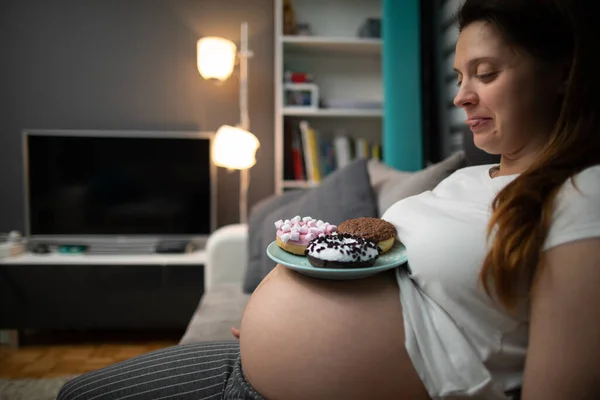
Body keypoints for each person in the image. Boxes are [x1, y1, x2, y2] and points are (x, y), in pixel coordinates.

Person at [57, 0, 600, 399]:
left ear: (562, 75)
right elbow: (403, 276)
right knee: (75, 395)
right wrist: (289, 319)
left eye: (486, 73)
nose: (461, 95)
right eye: (459, 76)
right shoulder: (468, 181)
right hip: (257, 368)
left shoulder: (582, 195)